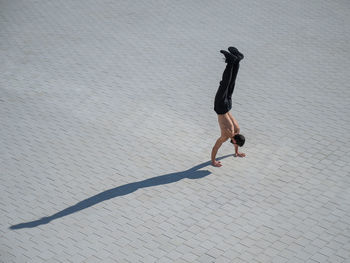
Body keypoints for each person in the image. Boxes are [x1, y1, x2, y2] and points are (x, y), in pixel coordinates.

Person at [211, 47, 246, 167]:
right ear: (235, 140)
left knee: (231, 83)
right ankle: (231, 61)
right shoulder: (226, 135)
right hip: (221, 107)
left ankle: (237, 60)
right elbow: (216, 147)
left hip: (229, 105)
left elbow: (236, 142)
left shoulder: (237, 130)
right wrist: (213, 161)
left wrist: (237, 152)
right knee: (225, 83)